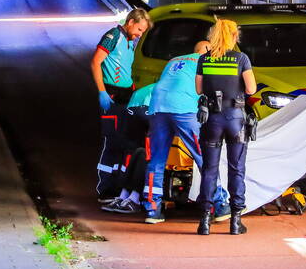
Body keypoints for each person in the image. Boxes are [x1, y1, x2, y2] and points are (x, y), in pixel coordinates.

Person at [142, 41, 228, 224]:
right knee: (204, 157)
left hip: (157, 107)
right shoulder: (206, 61)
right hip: (184, 110)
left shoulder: (173, 60)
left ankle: (152, 209)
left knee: (156, 160)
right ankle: (220, 203)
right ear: (207, 50)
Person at [196, 19, 257, 235]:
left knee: (209, 170)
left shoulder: (204, 59)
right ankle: (236, 221)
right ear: (233, 36)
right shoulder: (241, 59)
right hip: (235, 119)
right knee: (236, 169)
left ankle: (204, 221)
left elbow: (198, 89)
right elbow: (251, 89)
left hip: (211, 119)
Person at [91, 9, 152, 199]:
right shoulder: (113, 36)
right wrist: (102, 91)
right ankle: (105, 189)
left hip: (126, 95)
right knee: (111, 141)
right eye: (139, 29)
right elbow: (95, 62)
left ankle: (118, 186)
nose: (140, 34)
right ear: (131, 22)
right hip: (112, 95)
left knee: (125, 142)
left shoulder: (129, 42)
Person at [101, 83, 155, 214]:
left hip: (135, 104)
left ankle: (125, 196)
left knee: (139, 151)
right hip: (153, 108)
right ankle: (132, 198)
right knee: (146, 154)